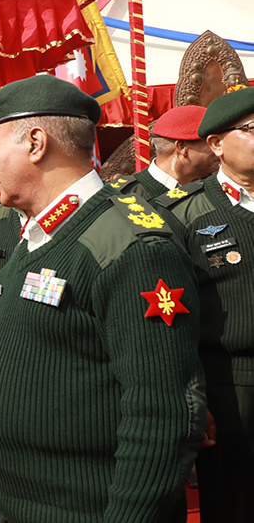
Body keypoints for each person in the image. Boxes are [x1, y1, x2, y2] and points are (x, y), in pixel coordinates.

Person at [0, 76, 206, 523]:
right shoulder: (39, 234)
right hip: (25, 501)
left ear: (36, 143)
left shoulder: (130, 244)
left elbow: (162, 412)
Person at [152, 84, 254, 522]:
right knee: (236, 504)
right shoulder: (184, 215)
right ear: (216, 144)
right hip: (231, 385)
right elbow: (171, 319)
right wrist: (194, 398)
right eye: (252, 129)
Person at [109, 105, 217, 198]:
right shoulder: (122, 195)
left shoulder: (219, 191)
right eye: (214, 143)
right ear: (182, 147)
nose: (221, 150)